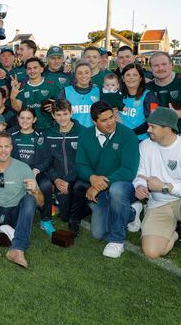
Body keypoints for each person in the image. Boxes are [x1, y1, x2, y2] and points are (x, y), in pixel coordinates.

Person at [133, 108, 181, 289]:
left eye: (152, 126)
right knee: (151, 252)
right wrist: (139, 186)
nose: (148, 130)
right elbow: (140, 174)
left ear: (167, 128)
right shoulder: (145, 145)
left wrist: (166, 186)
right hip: (158, 204)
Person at [75, 101, 141, 258]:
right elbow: (81, 164)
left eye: (111, 117)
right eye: (104, 120)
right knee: (98, 233)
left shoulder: (128, 135)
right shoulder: (85, 135)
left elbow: (129, 170)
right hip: (100, 186)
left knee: (116, 190)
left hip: (123, 186)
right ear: (94, 122)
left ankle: (117, 241)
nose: (110, 122)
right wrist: (92, 178)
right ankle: (132, 212)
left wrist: (98, 185)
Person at [0, 132, 44, 268]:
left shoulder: (23, 168)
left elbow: (41, 203)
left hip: (15, 215)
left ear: (11, 147)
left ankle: (17, 249)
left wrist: (35, 191)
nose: (3, 150)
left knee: (29, 198)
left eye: (6, 146)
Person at [41, 99, 87, 236]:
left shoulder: (83, 132)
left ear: (71, 112)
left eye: (65, 114)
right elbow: (46, 161)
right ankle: (74, 205)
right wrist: (56, 180)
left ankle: (89, 204)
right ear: (53, 115)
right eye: (58, 115)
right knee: (65, 216)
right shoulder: (49, 133)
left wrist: (68, 180)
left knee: (80, 188)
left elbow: (83, 160)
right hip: (59, 180)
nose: (62, 118)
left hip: (77, 177)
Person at [10, 57, 60, 131]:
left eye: (35, 68)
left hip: (49, 127)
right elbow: (18, 108)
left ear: (41, 69)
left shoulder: (51, 85)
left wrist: (55, 106)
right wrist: (12, 97)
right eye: (29, 68)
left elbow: (61, 105)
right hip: (28, 128)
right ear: (26, 71)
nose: (32, 71)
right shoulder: (22, 87)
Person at [119, 64, 158, 140]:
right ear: (123, 78)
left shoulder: (150, 96)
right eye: (128, 75)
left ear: (140, 78)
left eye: (135, 75)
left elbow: (153, 120)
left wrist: (130, 133)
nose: (131, 77)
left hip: (142, 140)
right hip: (122, 139)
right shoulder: (118, 96)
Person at [59, 61, 101, 128]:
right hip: (72, 133)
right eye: (80, 73)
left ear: (91, 74)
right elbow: (59, 114)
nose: (83, 76)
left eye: (86, 72)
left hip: (92, 133)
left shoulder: (98, 90)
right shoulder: (66, 91)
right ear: (75, 75)